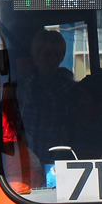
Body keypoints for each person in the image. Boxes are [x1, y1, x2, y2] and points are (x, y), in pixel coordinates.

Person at [18, 29, 76, 163]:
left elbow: (73, 127)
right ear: (35, 55)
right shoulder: (21, 87)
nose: (52, 59)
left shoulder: (70, 88)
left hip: (60, 156)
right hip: (26, 156)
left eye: (57, 54)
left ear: (62, 57)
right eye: (47, 54)